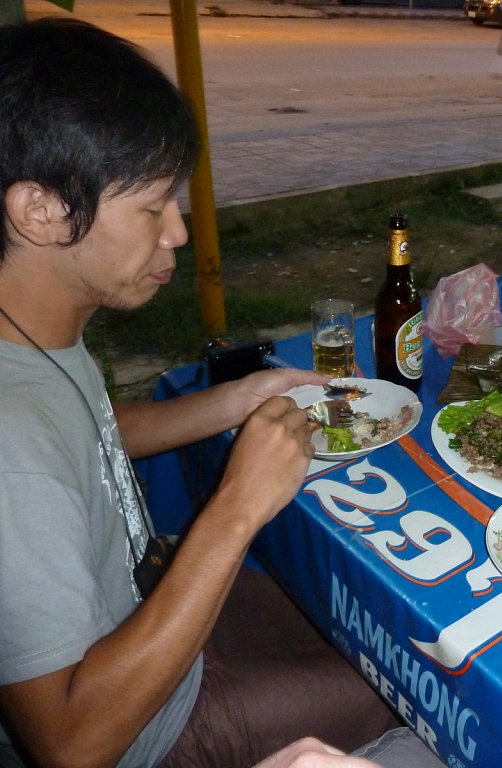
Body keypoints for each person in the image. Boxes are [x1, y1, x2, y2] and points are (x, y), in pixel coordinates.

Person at [0, 18, 440, 768]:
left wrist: (237, 402)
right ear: (39, 210)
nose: (177, 232)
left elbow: (90, 437)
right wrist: (237, 507)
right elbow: (69, 744)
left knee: (375, 615)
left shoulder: (33, 335)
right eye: (151, 208)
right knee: (424, 681)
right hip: (148, 730)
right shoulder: (10, 445)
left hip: (151, 623)